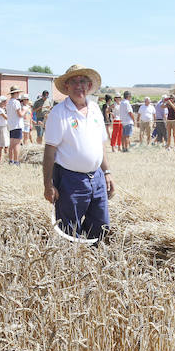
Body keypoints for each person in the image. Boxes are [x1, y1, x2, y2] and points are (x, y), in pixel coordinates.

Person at [43, 64, 115, 240]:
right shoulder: (59, 113)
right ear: (66, 87)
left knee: (100, 228)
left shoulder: (96, 110)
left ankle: (93, 263)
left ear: (89, 86)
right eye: (73, 82)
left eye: (82, 81)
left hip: (97, 177)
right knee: (69, 231)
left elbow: (100, 145)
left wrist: (107, 172)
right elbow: (49, 151)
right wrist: (48, 184)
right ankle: (70, 265)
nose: (78, 86)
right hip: (70, 180)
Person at [5, 86, 24, 164]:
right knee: (17, 144)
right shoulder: (16, 102)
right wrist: (25, 110)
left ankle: (10, 160)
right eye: (18, 92)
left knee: (12, 144)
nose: (19, 94)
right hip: (17, 124)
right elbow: (20, 114)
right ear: (15, 93)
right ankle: (16, 161)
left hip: (11, 125)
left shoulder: (9, 102)